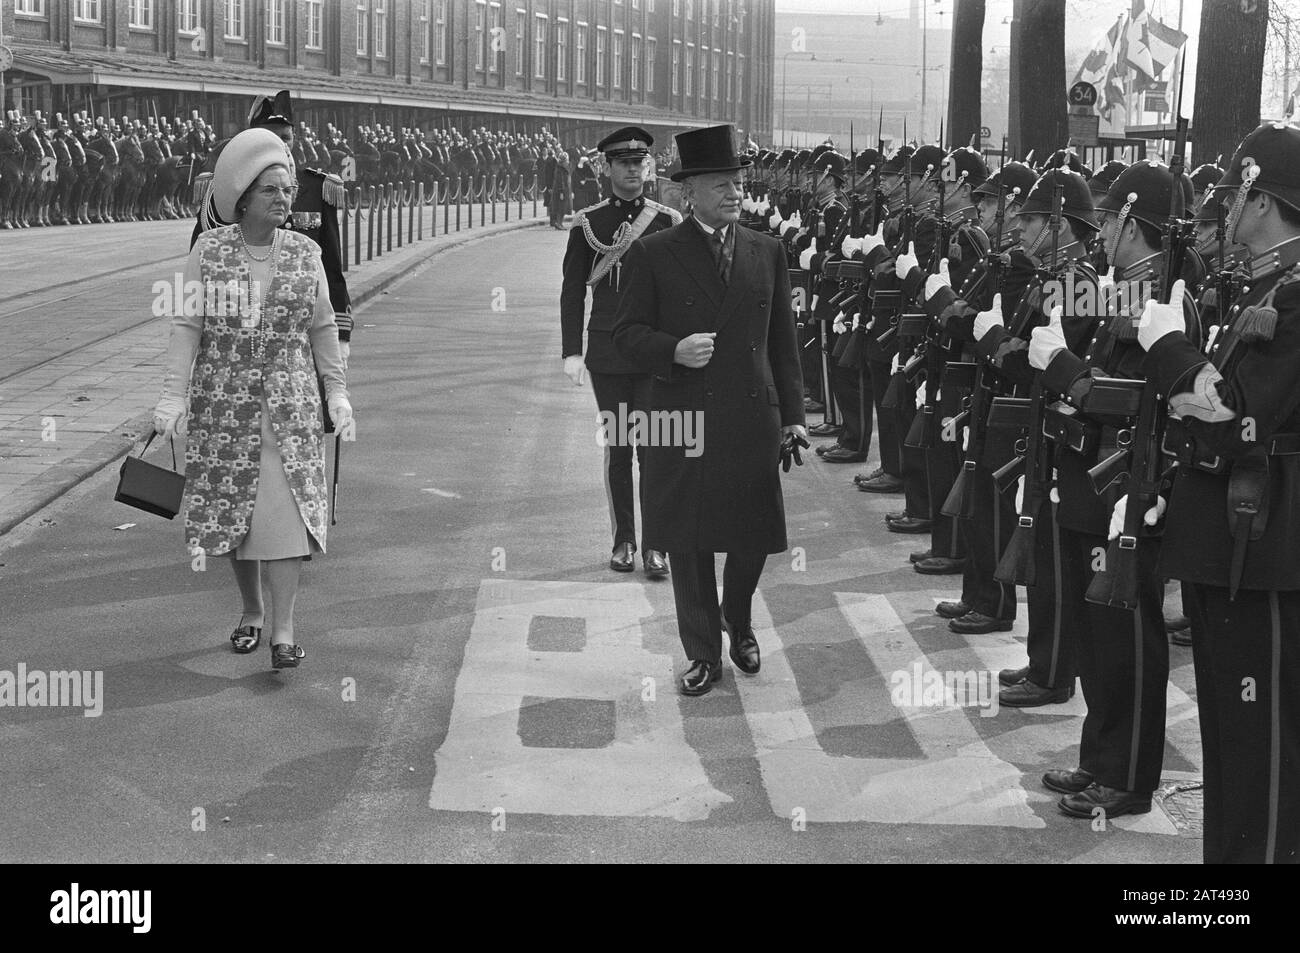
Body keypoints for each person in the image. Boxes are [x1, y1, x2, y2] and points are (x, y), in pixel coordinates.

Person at [1138, 122, 1300, 863]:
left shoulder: (1292, 298)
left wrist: (1170, 351)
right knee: (1232, 751)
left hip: (1261, 547)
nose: (1227, 205)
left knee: (1258, 751)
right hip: (1228, 541)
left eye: (1237, 191)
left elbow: (1234, 420)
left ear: (1263, 199)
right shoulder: (1263, 287)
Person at [612, 124, 807, 697]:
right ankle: (702, 652)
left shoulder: (766, 250)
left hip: (752, 417)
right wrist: (671, 350)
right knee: (689, 542)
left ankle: (737, 618)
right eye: (721, 184)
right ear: (687, 191)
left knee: (751, 538)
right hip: (682, 419)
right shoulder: (654, 253)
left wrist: (793, 414)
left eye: (737, 183)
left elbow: (783, 343)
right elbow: (625, 336)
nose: (734, 193)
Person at [152, 128, 353, 670]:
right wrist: (171, 398)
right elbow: (187, 325)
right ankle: (251, 612)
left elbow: (322, 328)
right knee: (235, 514)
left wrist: (337, 394)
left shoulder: (307, 252)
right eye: (271, 191)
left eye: (287, 190)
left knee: (286, 516)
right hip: (223, 405)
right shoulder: (209, 251)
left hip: (290, 407)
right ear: (242, 199)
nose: (285, 200)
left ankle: (284, 629)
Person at [561, 126, 681, 576]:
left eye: (640, 162)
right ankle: (624, 540)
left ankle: (656, 545)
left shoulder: (666, 221)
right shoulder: (589, 223)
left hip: (652, 353)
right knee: (619, 448)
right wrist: (572, 350)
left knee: (656, 447)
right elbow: (572, 291)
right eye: (625, 163)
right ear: (606, 168)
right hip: (609, 353)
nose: (634, 169)